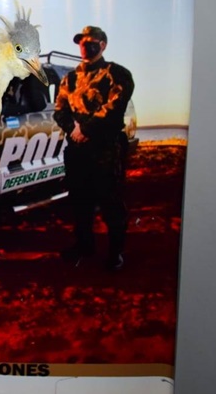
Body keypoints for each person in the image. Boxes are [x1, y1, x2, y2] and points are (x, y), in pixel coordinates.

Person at [54, 26, 135, 271]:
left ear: (103, 45)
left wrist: (85, 130)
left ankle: (115, 253)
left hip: (105, 149)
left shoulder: (117, 73)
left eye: (91, 43)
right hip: (78, 151)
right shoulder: (70, 79)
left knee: (110, 201)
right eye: (81, 43)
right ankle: (84, 246)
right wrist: (72, 130)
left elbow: (114, 108)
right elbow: (60, 110)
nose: (85, 47)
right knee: (80, 201)